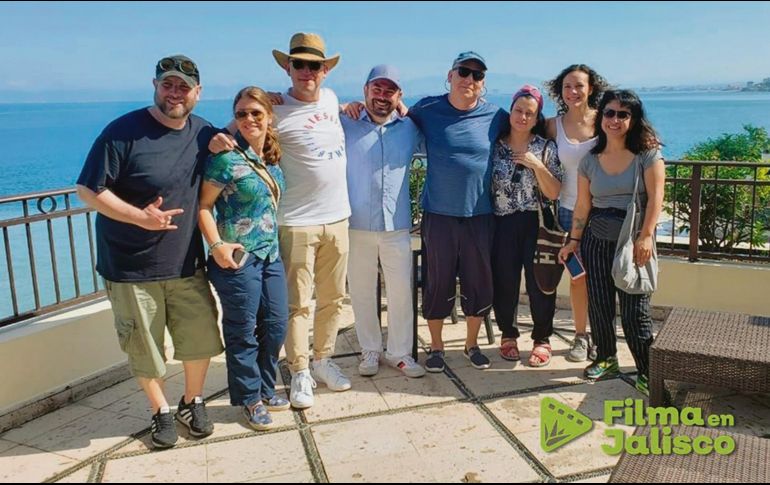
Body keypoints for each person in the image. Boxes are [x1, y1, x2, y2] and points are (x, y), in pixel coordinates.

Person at [76, 55, 224, 449]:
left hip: (185, 262)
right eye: (167, 85)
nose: (174, 93)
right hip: (129, 265)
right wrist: (137, 218)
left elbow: (244, 145)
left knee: (200, 338)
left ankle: (192, 402)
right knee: (144, 346)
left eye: (183, 87)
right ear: (155, 86)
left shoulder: (203, 132)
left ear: (198, 92)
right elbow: (89, 189)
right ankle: (160, 411)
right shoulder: (122, 132)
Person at [209, 33, 351, 409]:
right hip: (297, 222)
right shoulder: (274, 108)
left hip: (339, 218)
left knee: (334, 299)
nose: (307, 71)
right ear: (288, 68)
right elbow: (237, 129)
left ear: (325, 70)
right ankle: (300, 370)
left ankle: (323, 360)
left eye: (314, 65)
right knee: (298, 304)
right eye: (299, 64)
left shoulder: (334, 99)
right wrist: (215, 138)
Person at [558, 89, 664, 396]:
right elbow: (582, 206)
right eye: (609, 113)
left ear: (633, 119)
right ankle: (606, 358)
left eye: (623, 114)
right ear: (601, 116)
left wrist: (646, 236)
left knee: (635, 312)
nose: (615, 120)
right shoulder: (590, 160)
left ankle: (647, 371)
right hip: (596, 239)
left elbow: (656, 200)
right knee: (601, 304)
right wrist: (574, 240)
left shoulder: (647, 154)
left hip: (632, 241)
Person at [408, 52, 509, 373]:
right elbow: (392, 119)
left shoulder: (496, 116)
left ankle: (471, 344)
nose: (469, 79)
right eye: (464, 72)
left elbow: (530, 124)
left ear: (483, 84)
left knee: (478, 280)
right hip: (438, 213)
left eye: (477, 75)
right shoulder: (427, 109)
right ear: (450, 76)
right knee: (438, 280)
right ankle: (436, 347)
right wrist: (346, 108)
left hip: (480, 215)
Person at [199, 86, 289, 430]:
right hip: (238, 257)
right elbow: (204, 206)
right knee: (243, 331)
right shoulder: (226, 159)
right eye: (241, 114)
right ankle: (250, 399)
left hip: (270, 253)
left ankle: (266, 387)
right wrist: (217, 245)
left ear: (268, 116)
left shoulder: (269, 155)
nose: (249, 119)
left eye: (256, 113)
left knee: (276, 323)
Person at [342, 65, 425, 378]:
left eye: (389, 90)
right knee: (362, 292)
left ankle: (400, 353)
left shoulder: (410, 128)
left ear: (399, 96)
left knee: (401, 292)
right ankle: (370, 351)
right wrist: (340, 105)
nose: (382, 96)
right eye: (376, 89)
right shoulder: (345, 122)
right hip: (356, 224)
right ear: (365, 92)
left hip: (397, 226)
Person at [491, 85, 563, 367]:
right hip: (502, 223)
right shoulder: (495, 145)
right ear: (510, 112)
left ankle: (542, 339)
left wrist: (537, 166)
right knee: (504, 282)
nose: (522, 117)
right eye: (518, 110)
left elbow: (555, 191)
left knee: (540, 284)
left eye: (529, 113)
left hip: (536, 223)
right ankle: (508, 334)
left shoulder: (545, 148)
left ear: (536, 119)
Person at [545, 64, 609, 362]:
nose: (573, 91)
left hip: (606, 212)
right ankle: (581, 337)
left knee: (603, 278)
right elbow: (517, 132)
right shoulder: (551, 126)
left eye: (579, 85)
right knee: (578, 277)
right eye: (567, 86)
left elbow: (635, 143)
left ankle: (602, 336)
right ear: (560, 90)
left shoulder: (606, 120)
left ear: (591, 88)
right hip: (568, 213)